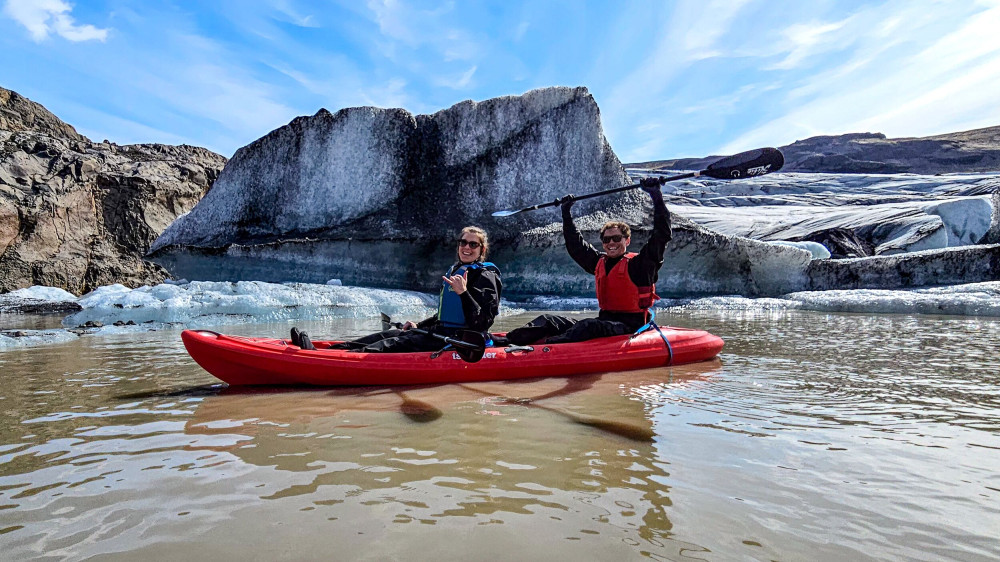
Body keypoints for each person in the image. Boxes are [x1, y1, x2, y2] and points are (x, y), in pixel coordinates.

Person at [505, 178, 670, 345]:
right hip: (605, 322)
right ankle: (506, 341)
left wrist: (656, 195)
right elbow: (576, 246)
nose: (611, 243)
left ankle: (546, 346)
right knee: (548, 320)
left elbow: (661, 235)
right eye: (606, 240)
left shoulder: (641, 265)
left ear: (627, 240)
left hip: (629, 327)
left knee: (588, 326)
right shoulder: (599, 262)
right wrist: (566, 212)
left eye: (616, 238)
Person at [290, 226, 502, 352]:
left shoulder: (486, 276)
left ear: (481, 250)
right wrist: (419, 323)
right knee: (386, 335)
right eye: (463, 242)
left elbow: (483, 322)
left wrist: (463, 293)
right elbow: (445, 316)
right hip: (439, 331)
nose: (466, 247)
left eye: (473, 244)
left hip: (459, 341)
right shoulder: (457, 269)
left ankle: (325, 359)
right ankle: (325, 351)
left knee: (391, 344)